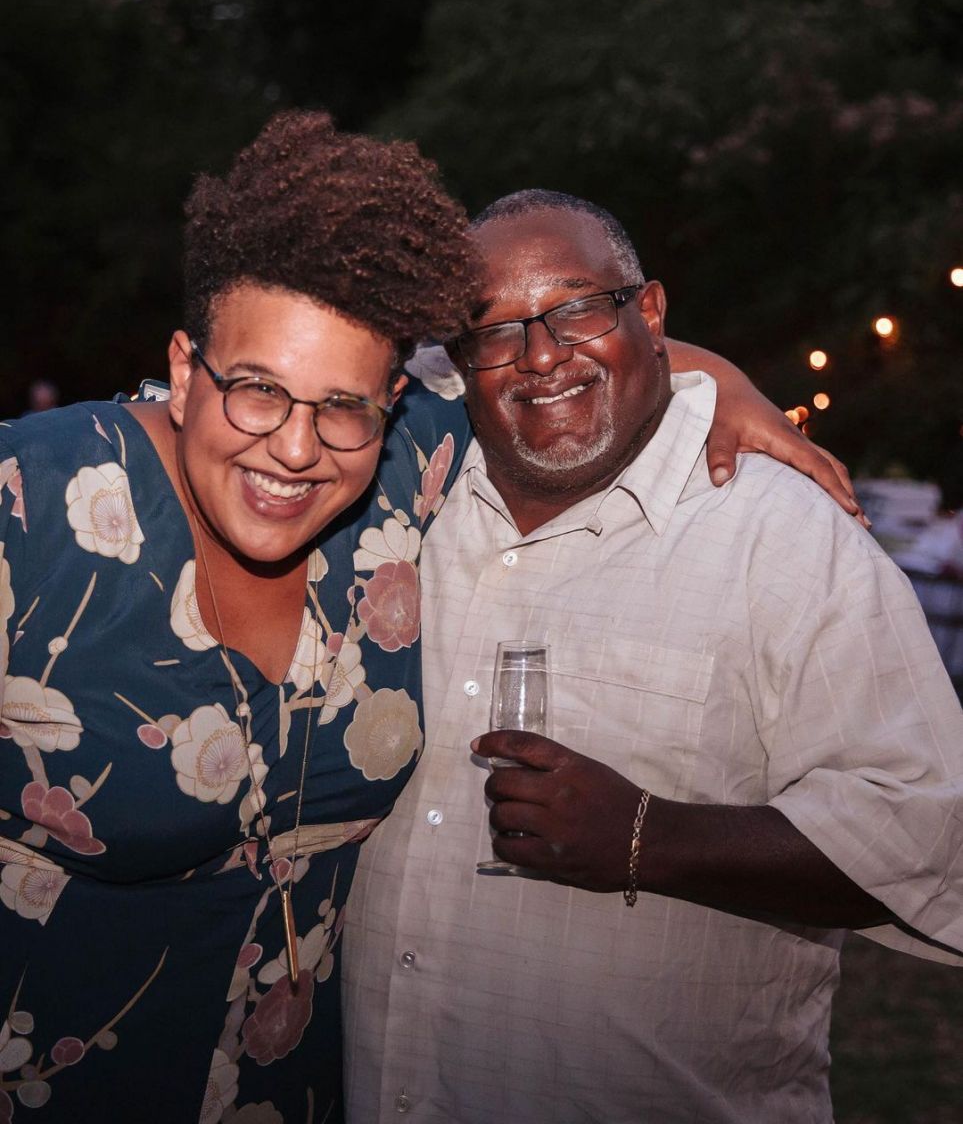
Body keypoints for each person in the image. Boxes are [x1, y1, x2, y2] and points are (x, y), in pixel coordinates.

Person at [342, 190, 963, 1124]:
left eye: (577, 308)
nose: (541, 355)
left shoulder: (781, 537)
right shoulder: (392, 502)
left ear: (653, 313)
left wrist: (648, 835)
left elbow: (924, 830)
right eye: (496, 331)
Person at [0, 110, 479, 1122]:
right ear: (183, 369)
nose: (297, 450)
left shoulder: (398, 482)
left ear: (390, 402)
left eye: (342, 406)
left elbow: (565, 368)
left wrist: (723, 388)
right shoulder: (30, 507)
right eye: (256, 390)